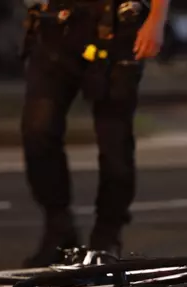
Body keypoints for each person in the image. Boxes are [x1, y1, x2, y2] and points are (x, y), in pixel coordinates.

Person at [19, 0, 169, 268]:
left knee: (115, 143)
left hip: (116, 26)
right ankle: (59, 227)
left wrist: (156, 20)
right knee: (37, 129)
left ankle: (107, 237)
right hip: (57, 24)